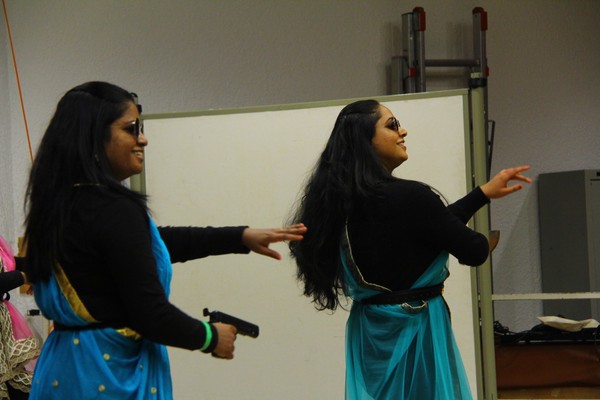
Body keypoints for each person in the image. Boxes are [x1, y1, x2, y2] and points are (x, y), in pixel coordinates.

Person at [22, 81, 306, 399]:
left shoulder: (59, 204)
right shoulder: (113, 209)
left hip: (62, 371)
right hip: (109, 375)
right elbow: (150, 313)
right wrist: (211, 337)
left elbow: (144, 247)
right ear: (94, 136)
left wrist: (238, 237)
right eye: (131, 129)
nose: (143, 139)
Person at [287, 99, 530, 399]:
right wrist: (481, 238)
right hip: (418, 333)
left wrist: (481, 194)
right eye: (392, 125)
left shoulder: (337, 203)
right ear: (366, 140)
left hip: (370, 336)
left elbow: (427, 226)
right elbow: (473, 249)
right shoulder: (412, 197)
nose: (403, 131)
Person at [0, 234, 40, 400]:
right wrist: (24, 277)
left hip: (3, 328)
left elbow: (10, 263)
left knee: (16, 382)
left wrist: (40, 268)